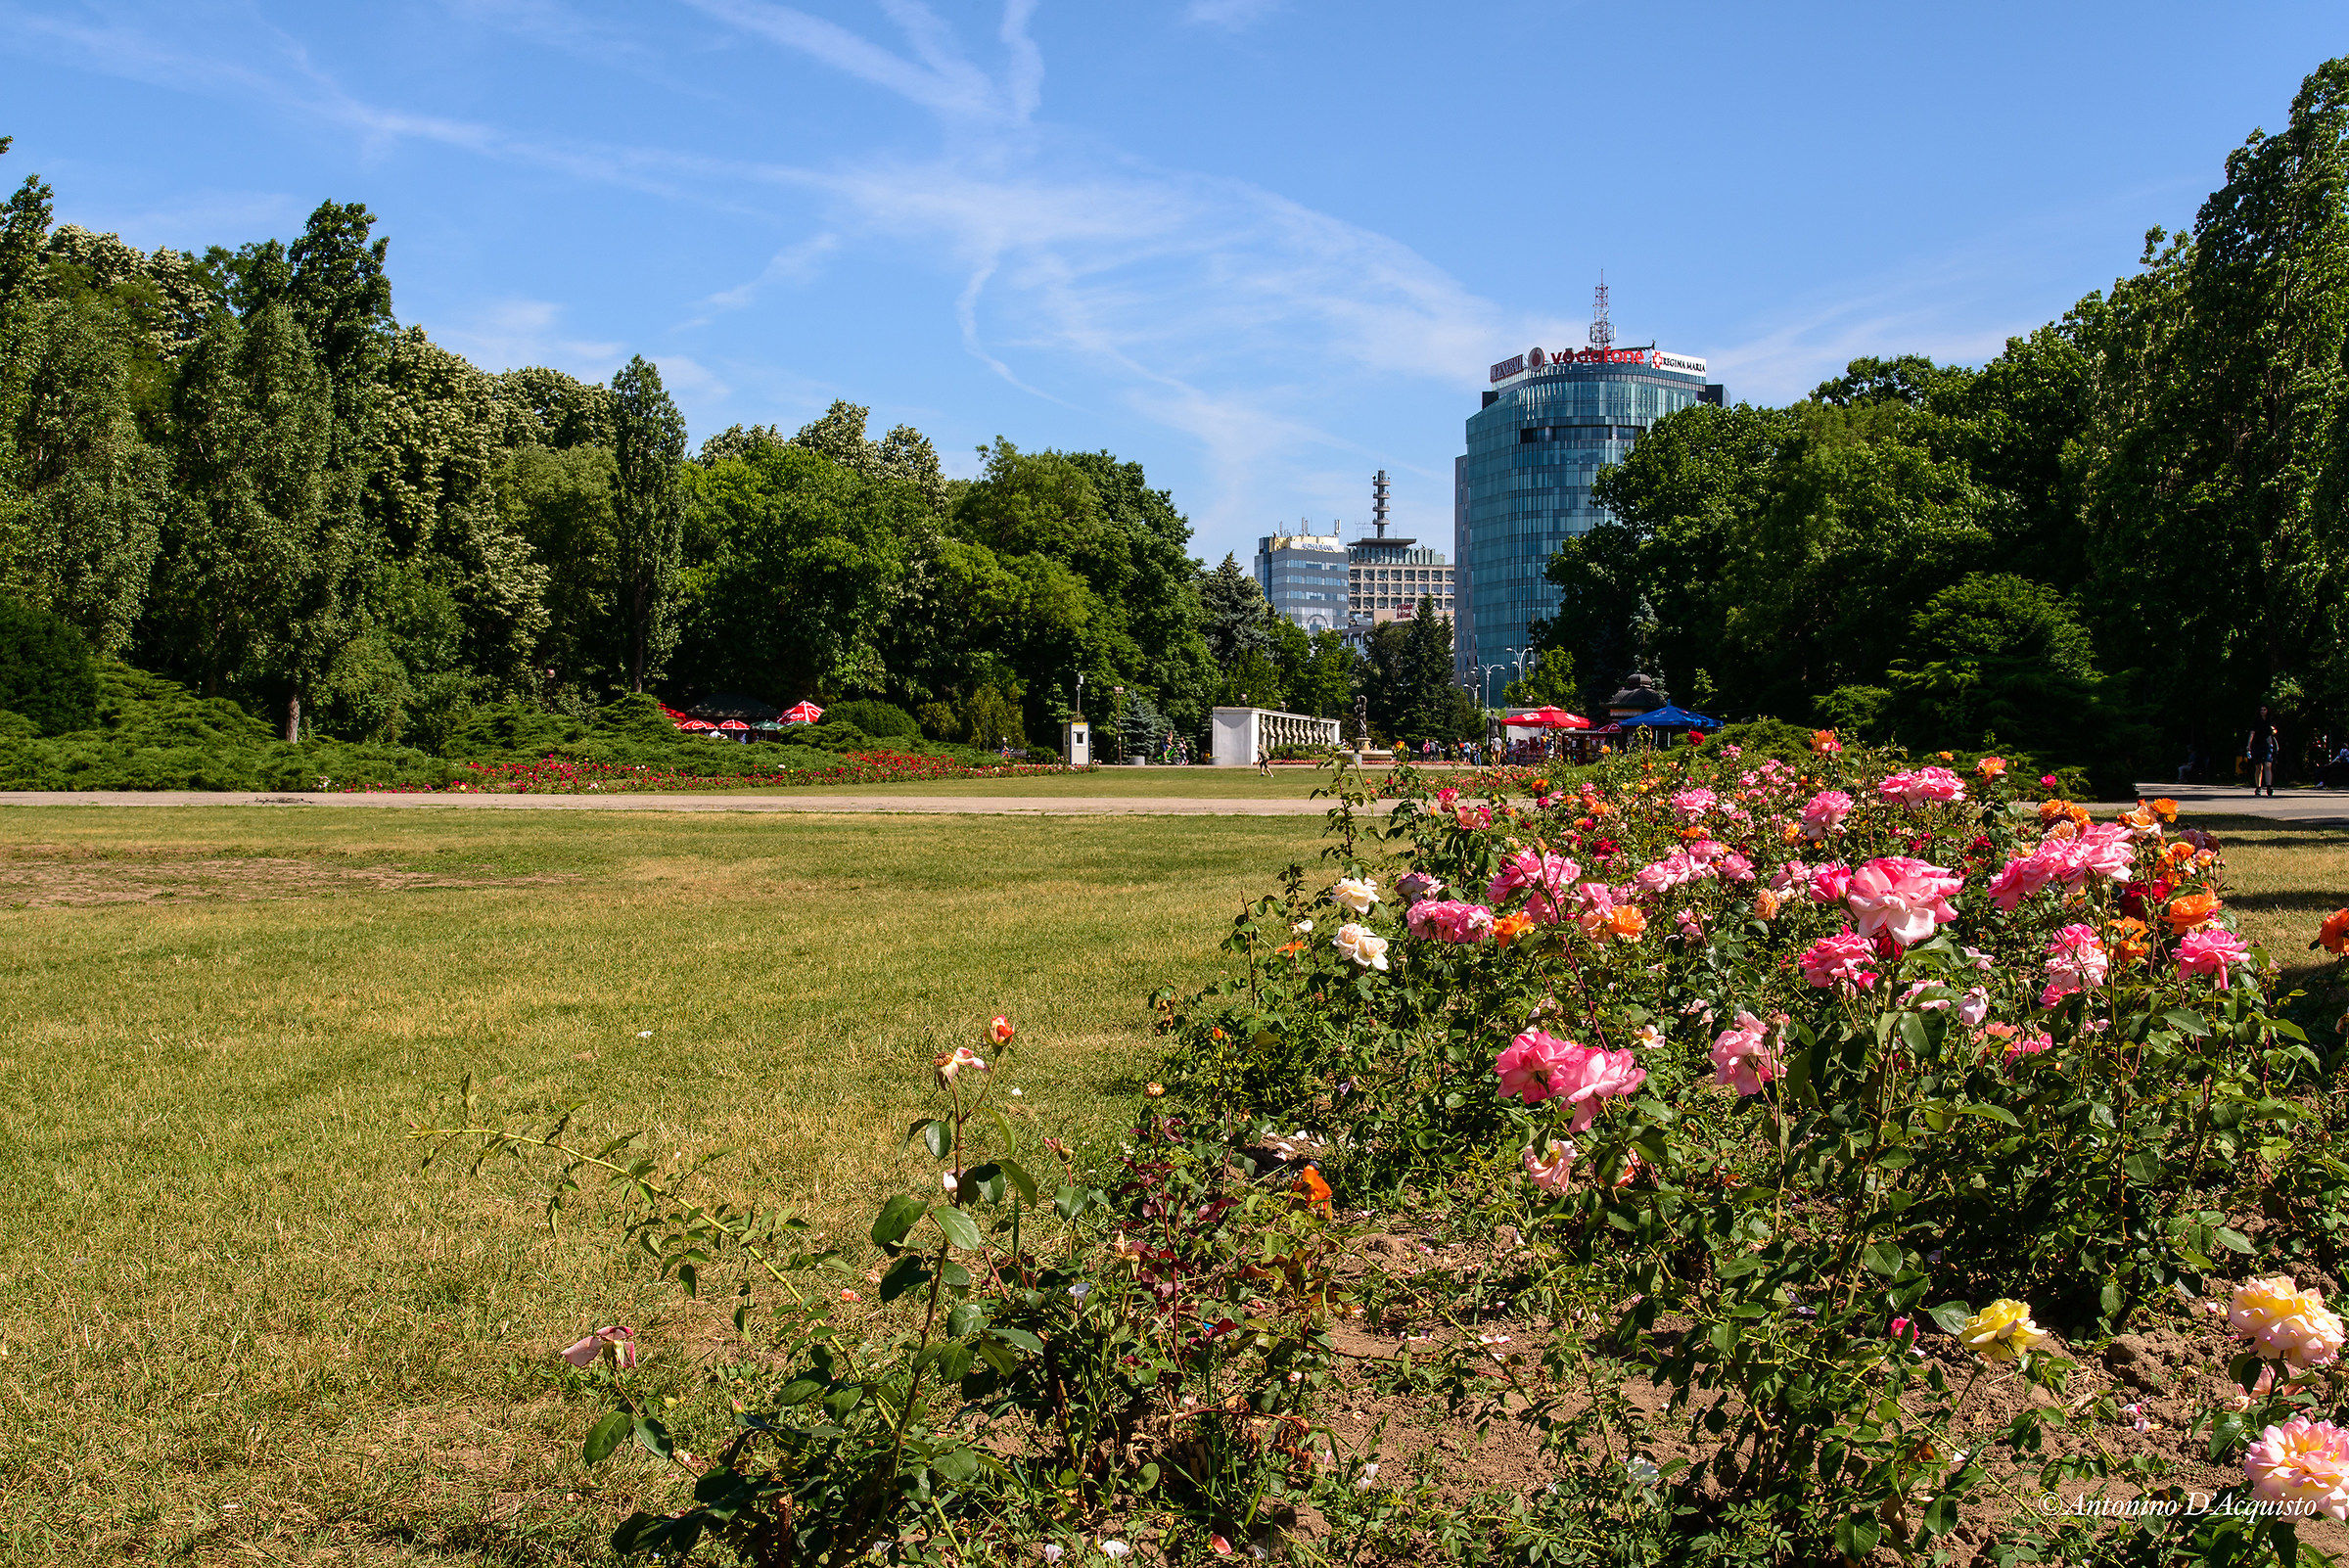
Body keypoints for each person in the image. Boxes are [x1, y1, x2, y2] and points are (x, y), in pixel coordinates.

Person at [2246, 706, 2281, 797]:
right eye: (2261, 710)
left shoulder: (2270, 721)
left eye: (2264, 710)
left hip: (2266, 745)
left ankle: (2269, 786)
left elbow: (2270, 735)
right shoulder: (2256, 722)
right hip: (2257, 745)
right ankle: (2258, 787)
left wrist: (2272, 745)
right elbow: (2252, 733)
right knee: (2258, 767)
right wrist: (2249, 745)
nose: (2262, 711)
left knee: (2268, 765)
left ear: (2267, 710)